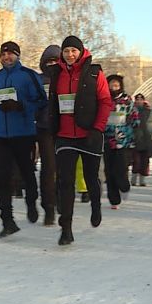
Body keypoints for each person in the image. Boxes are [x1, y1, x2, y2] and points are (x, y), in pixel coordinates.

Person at [46, 35, 113, 245]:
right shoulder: (56, 73)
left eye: (73, 51)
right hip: (65, 135)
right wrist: (52, 126)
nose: (70, 55)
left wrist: (98, 128)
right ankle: (66, 228)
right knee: (65, 182)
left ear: (81, 52)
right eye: (66, 51)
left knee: (91, 177)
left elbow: (105, 101)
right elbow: (53, 103)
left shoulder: (94, 72)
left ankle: (96, 205)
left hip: (89, 134)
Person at [0, 41, 47, 238]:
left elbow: (42, 101)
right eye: (3, 54)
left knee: (26, 172)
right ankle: (7, 220)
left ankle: (31, 203)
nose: (7, 57)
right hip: (0, 136)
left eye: (11, 54)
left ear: (18, 55)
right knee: (1, 178)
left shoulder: (28, 76)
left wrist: (21, 106)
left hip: (24, 133)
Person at [103, 75, 140, 209]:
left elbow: (134, 116)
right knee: (109, 170)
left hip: (123, 139)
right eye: (111, 85)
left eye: (116, 85)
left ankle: (124, 186)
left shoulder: (127, 100)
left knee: (121, 168)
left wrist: (134, 124)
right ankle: (114, 199)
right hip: (107, 139)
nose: (114, 87)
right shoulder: (103, 99)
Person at [35, 45, 61, 225]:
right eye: (49, 61)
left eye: (55, 61)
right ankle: (49, 207)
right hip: (44, 129)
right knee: (48, 168)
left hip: (65, 128)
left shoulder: (66, 78)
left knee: (64, 169)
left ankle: (62, 199)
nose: (52, 64)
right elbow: (30, 100)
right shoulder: (38, 80)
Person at [131, 93, 152, 187]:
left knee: (145, 161)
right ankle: (134, 178)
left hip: (146, 138)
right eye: (137, 99)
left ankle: (142, 180)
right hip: (135, 138)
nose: (139, 101)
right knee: (136, 160)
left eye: (141, 99)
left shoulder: (148, 111)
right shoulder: (132, 110)